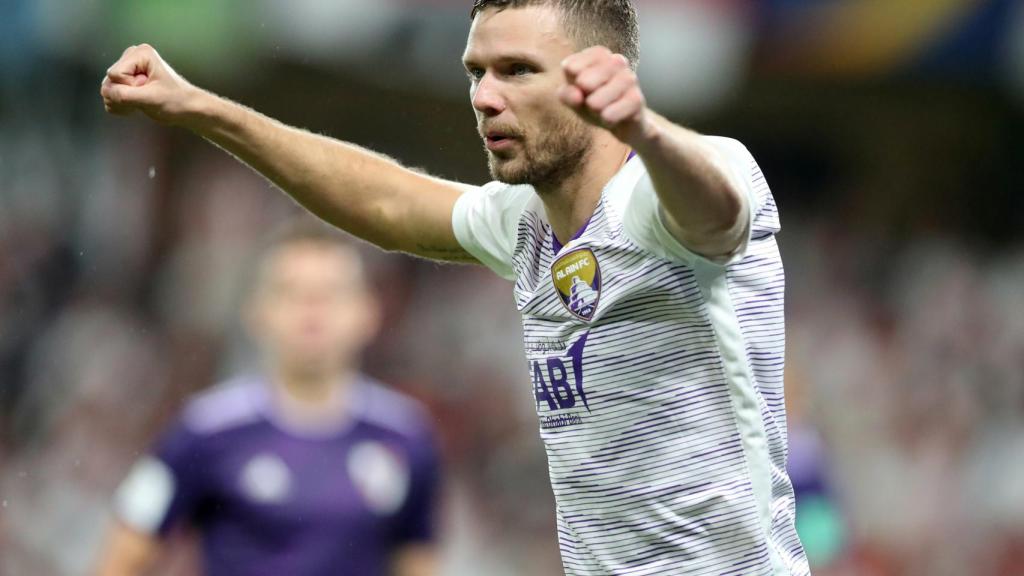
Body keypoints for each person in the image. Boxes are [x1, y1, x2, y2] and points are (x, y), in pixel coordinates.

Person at [100, 0, 810, 573]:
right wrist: (202, 109)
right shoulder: (523, 221)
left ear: (600, 77)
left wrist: (644, 130)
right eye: (477, 73)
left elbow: (716, 215)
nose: (486, 98)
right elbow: (384, 204)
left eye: (517, 70)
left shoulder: (677, 185)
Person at [92, 222, 441, 576]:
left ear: (368, 312)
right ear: (257, 312)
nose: (312, 309)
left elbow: (418, 563)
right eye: (291, 292)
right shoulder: (204, 430)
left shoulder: (406, 436)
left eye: (331, 293)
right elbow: (123, 555)